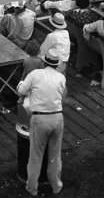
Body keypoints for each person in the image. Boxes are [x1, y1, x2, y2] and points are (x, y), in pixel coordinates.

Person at [17, 51, 66, 197]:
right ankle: (56, 186)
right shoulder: (61, 78)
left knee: (35, 156)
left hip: (40, 120)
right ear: (57, 65)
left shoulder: (35, 74)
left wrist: (21, 83)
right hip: (57, 118)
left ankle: (32, 188)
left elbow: (22, 90)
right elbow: (61, 95)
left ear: (43, 62)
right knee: (55, 155)